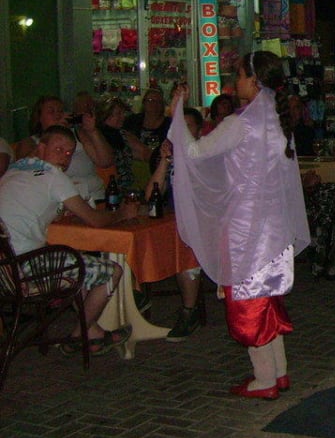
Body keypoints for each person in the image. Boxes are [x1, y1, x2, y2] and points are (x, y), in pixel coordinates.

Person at [169, 51, 309, 400]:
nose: (236, 82)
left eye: (240, 75)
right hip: (274, 226)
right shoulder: (276, 121)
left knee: (248, 301)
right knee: (267, 299)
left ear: (254, 80)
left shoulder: (240, 124)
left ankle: (263, 379)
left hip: (247, 228)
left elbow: (196, 153)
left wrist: (178, 114)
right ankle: (278, 372)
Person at [0, 125, 139, 355]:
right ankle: (78, 335)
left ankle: (92, 332)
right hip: (24, 270)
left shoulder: (14, 170)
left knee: (70, 258)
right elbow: (95, 220)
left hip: (4, 270)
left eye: (69, 153)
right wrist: (123, 214)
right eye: (59, 149)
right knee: (112, 271)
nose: (64, 158)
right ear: (41, 147)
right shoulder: (52, 175)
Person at [142, 107, 205, 341]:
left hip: (200, 224)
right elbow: (151, 196)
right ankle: (135, 298)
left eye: (188, 126)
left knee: (186, 246)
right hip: (172, 221)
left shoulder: (206, 157)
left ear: (198, 132)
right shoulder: (170, 159)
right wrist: (165, 162)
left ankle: (189, 311)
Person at [14, 95, 114, 203]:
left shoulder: (79, 134)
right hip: (60, 200)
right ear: (39, 118)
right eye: (51, 112)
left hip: (93, 195)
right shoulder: (30, 142)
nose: (58, 115)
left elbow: (105, 162)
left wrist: (92, 131)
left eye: (61, 111)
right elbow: (24, 170)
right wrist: (53, 133)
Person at [288, 93, 316, 158]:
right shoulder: (279, 132)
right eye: (290, 108)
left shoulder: (308, 132)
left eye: (296, 108)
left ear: (301, 110)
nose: (292, 112)